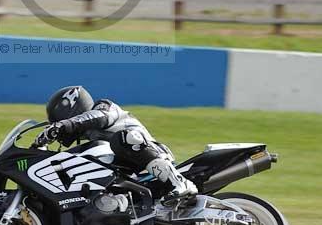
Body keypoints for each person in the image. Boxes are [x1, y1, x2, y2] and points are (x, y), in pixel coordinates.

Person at [33, 86, 198, 202]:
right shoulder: (92, 139)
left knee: (123, 139)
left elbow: (96, 117)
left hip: (152, 154)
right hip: (132, 172)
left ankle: (179, 182)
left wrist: (65, 125)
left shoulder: (105, 107)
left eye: (59, 120)